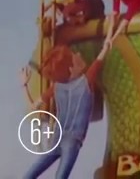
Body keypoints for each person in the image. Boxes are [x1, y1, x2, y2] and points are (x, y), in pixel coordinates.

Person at [21, 41, 111, 179]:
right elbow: (101, 57)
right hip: (72, 140)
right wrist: (106, 45)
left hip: (56, 138)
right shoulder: (86, 81)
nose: (78, 55)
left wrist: (24, 85)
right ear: (71, 69)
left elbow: (33, 107)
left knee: (32, 173)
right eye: (75, 57)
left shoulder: (56, 87)